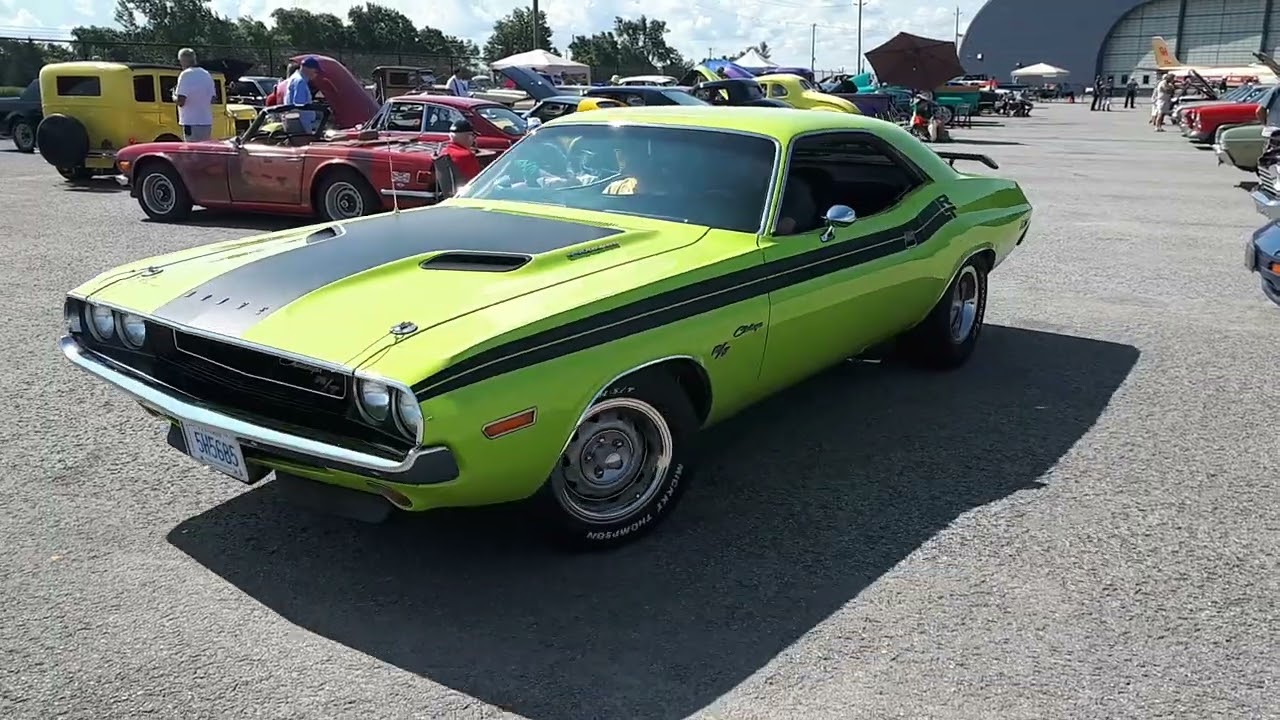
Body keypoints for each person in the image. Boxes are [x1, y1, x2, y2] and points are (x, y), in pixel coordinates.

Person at [173, 48, 216, 142]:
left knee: (192, 152)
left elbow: (181, 101)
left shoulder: (185, 75)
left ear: (183, 60)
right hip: (206, 122)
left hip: (191, 122)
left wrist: (173, 96)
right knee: (203, 151)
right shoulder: (206, 74)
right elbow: (213, 99)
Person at [283, 56, 322, 132]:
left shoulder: (295, 78)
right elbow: (300, 105)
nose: (316, 75)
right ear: (307, 69)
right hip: (300, 124)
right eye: (315, 71)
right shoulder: (300, 81)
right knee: (302, 143)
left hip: (294, 120)